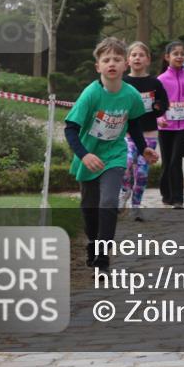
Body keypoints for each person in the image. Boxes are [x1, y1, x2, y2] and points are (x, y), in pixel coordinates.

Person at [64, 37, 157, 271]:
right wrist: (84, 155)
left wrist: (142, 146)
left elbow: (134, 122)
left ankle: (103, 256)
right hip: (89, 156)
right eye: (106, 60)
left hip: (115, 155)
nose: (111, 64)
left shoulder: (131, 95)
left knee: (107, 202)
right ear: (98, 66)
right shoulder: (90, 95)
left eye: (117, 59)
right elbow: (71, 129)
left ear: (125, 64)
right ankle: (93, 243)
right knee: (90, 209)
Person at [120, 41, 168, 221]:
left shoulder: (154, 83)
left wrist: (158, 107)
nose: (137, 58)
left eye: (141, 55)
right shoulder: (124, 83)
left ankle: (136, 206)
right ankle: (124, 190)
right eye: (133, 55)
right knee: (126, 163)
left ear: (148, 60)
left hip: (149, 134)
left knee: (141, 173)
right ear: (128, 61)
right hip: (128, 134)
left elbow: (164, 104)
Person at [157, 40, 184, 208]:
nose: (179, 57)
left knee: (175, 160)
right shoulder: (160, 80)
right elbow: (156, 104)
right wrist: (159, 118)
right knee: (167, 162)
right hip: (166, 127)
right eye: (175, 54)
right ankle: (167, 195)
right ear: (167, 57)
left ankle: (179, 199)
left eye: (182, 54)